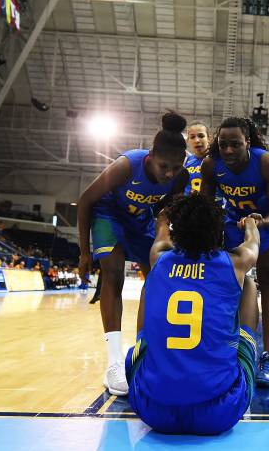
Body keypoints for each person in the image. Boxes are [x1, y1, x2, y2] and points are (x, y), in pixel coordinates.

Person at [125, 193, 259, 435]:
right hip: (219, 413)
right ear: (219, 234)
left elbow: (162, 231)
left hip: (153, 411)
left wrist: (166, 216)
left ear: (178, 234)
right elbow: (253, 245)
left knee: (150, 285)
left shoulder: (160, 257)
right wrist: (250, 224)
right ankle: (246, 346)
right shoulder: (236, 262)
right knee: (248, 284)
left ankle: (146, 349)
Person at [77, 112, 190, 396]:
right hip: (108, 215)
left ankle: (146, 349)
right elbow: (85, 201)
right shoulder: (127, 166)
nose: (169, 173)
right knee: (113, 275)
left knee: (160, 279)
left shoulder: (180, 177)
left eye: (176, 168)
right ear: (151, 156)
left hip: (139, 221)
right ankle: (114, 363)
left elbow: (163, 207)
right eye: (165, 166)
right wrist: (83, 253)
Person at [200, 117, 269, 387]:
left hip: (268, 221)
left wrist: (260, 222)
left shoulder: (266, 163)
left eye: (235, 144)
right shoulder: (211, 165)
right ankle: (223, 346)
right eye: (223, 144)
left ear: (247, 142)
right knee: (227, 279)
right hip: (234, 220)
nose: (228, 150)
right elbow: (205, 205)